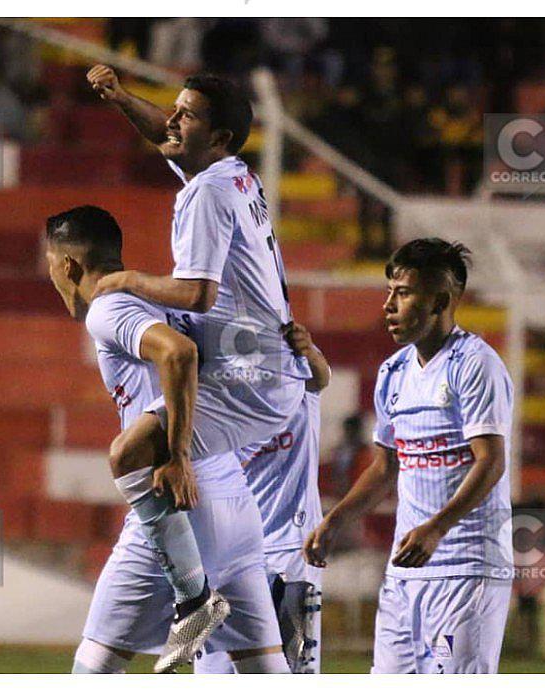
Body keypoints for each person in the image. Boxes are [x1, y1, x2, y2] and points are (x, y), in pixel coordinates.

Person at [85, 60, 314, 592]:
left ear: (220, 137)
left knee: (133, 454)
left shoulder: (206, 193)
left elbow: (197, 293)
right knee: (174, 459)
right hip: (267, 366)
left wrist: (127, 279)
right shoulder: (232, 175)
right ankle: (248, 587)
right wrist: (121, 99)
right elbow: (164, 134)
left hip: (250, 377)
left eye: (187, 116)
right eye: (177, 109)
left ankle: (194, 594)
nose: (172, 120)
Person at [45, 206, 287, 674]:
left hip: (179, 503)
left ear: (69, 265)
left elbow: (179, 353)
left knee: (92, 671)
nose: (52, 277)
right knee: (265, 672)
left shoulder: (109, 308)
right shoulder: (160, 301)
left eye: (51, 265)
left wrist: (176, 455)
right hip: (236, 505)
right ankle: (216, 599)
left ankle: (193, 599)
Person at [303, 238, 514, 673]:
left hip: (464, 569)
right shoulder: (393, 373)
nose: (389, 305)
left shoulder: (474, 364)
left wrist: (436, 529)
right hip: (406, 572)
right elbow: (385, 467)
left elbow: (490, 461)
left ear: (439, 300)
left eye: (403, 293)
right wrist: (336, 519)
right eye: (389, 292)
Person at [196, 323, 332, 673]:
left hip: (290, 549)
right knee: (217, 670)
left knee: (291, 668)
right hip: (229, 549)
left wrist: (307, 349)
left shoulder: (293, 385)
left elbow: (320, 377)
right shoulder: (215, 408)